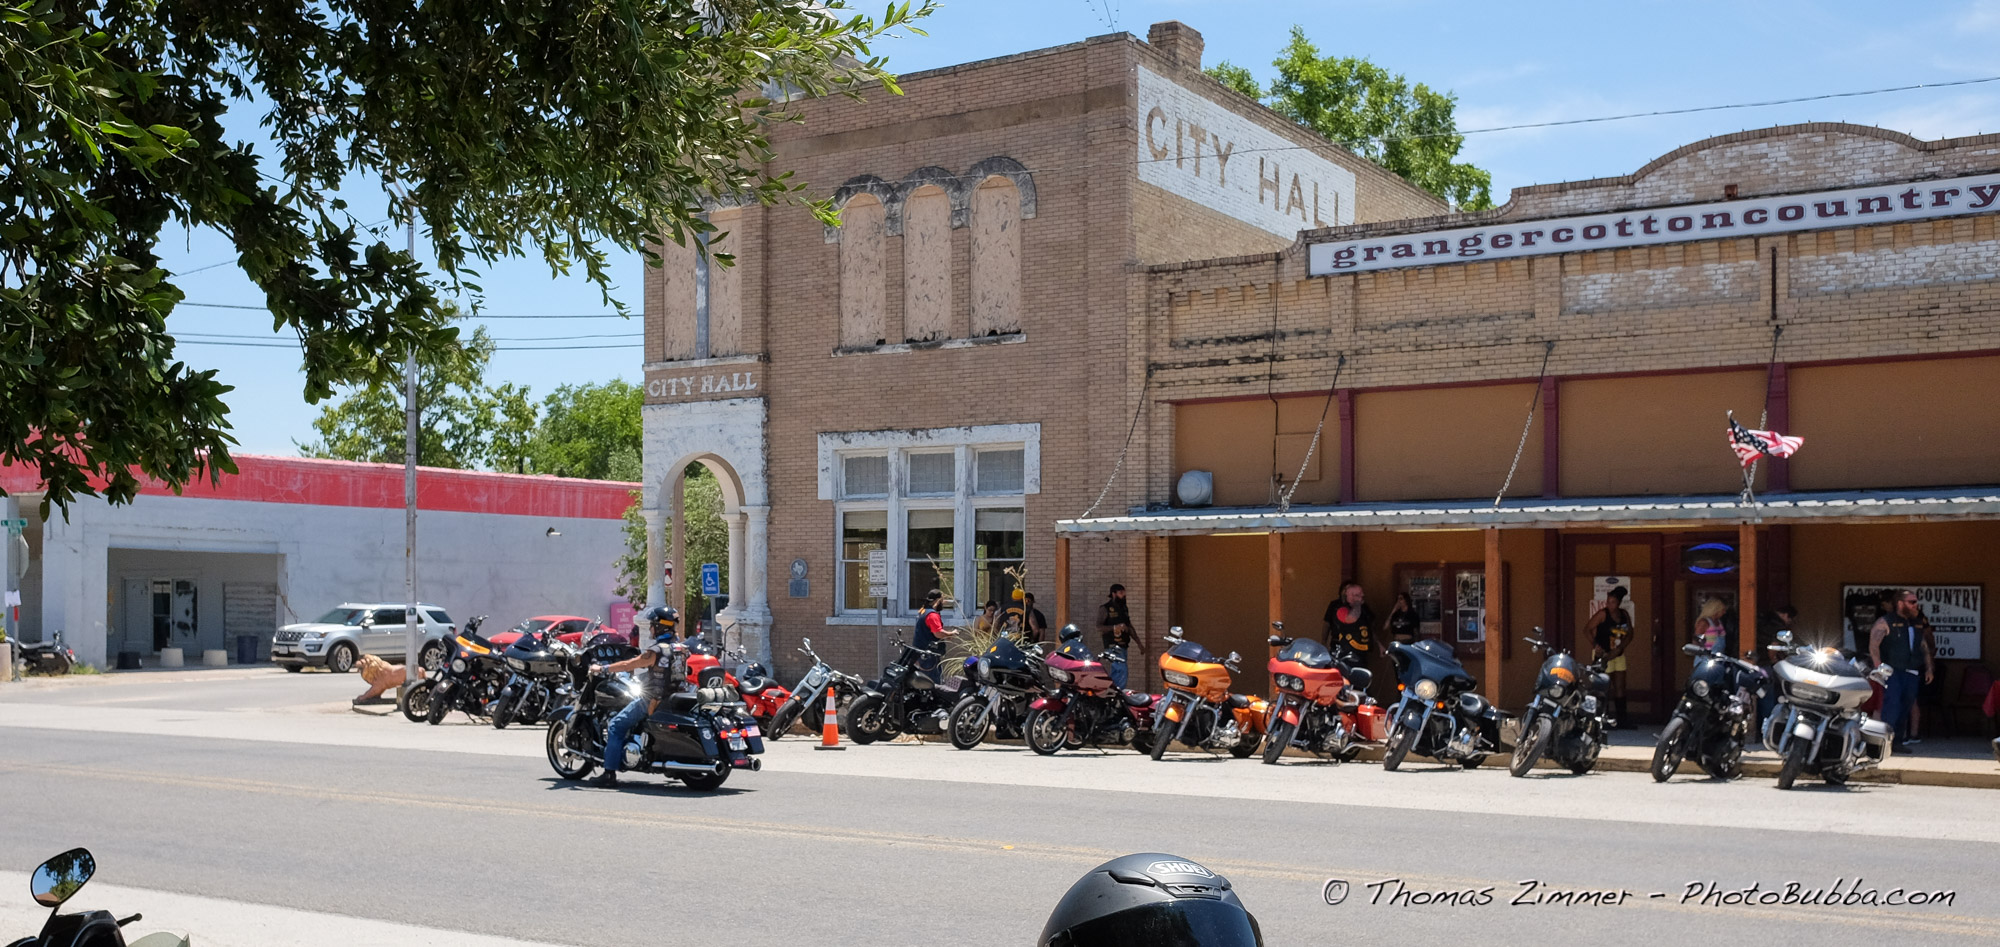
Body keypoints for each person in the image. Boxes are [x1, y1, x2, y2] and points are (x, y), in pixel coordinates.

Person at [586, 605, 684, 787]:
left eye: (653, 625)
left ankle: (608, 774)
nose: (651, 629)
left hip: (652, 700)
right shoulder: (681, 648)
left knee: (615, 726)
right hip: (672, 698)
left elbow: (629, 664)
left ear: (660, 627)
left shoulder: (656, 651)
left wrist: (603, 668)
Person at [1869, 588, 1935, 752]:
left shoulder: (1916, 622)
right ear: (1900, 603)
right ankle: (1885, 743)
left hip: (1912, 670)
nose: (1915, 605)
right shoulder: (1885, 621)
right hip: (1892, 670)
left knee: (1906, 705)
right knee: (1891, 705)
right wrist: (1878, 666)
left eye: (1915, 602)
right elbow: (1874, 645)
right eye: (1911, 602)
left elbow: (1924, 646)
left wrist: (1929, 668)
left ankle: (1897, 741)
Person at [1588, 585, 1634, 727]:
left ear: (1619, 603)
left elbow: (1630, 634)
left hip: (1618, 654)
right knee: (1603, 686)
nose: (1609, 604)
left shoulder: (1624, 615)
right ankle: (1602, 719)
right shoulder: (1602, 614)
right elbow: (1587, 629)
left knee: (1620, 686)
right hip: (1604, 655)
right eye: (1608, 601)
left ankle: (1622, 720)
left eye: (1613, 602)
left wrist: (1620, 647)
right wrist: (1595, 645)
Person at [1097, 584, 1145, 690]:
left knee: (1116, 672)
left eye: (1124, 593)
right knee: (1122, 670)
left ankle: (1111, 692)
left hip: (1123, 645)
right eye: (1121, 593)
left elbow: (1129, 626)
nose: (1124, 595)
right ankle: (1119, 693)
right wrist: (1114, 627)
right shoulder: (1105, 608)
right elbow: (1099, 627)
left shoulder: (1124, 608)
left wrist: (1139, 643)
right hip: (1112, 645)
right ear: (1114, 594)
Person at [1323, 582, 1373, 668]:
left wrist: (1379, 645)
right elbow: (1351, 618)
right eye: (1358, 594)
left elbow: (1369, 627)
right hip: (1345, 652)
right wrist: (1324, 641)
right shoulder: (1341, 609)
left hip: (1361, 652)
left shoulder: (1363, 608)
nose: (1362, 595)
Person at [1910, 606, 1941, 745]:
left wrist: (1929, 667)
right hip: (1905, 668)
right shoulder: (1898, 626)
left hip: (1918, 668)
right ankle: (1904, 734)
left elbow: (1928, 647)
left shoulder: (1920, 630)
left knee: (1913, 701)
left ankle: (1913, 734)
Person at [912, 589, 957, 682]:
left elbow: (930, 631)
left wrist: (945, 636)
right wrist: (952, 633)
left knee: (922, 682)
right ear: (937, 601)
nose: (943, 603)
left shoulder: (923, 611)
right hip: (928, 657)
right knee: (932, 684)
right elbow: (938, 633)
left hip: (920, 654)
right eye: (942, 600)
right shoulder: (932, 615)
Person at [351, 653, 418, 707]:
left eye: (362, 663)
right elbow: (381, 687)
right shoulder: (381, 669)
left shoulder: (381, 672)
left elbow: (377, 687)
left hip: (410, 674)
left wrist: (364, 697)